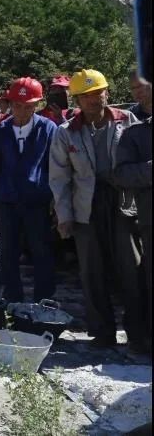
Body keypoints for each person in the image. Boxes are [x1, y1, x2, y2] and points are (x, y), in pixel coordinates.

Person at [49, 69, 145, 350]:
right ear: (77, 100)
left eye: (97, 93)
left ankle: (139, 333)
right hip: (85, 206)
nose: (93, 100)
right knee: (92, 272)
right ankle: (102, 332)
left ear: (107, 93)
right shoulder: (66, 132)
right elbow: (59, 178)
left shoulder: (127, 121)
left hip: (124, 202)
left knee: (132, 269)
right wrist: (64, 216)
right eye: (86, 96)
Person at [0, 77, 57, 303]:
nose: (22, 112)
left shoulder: (48, 129)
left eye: (28, 107)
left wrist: (56, 200)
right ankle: (11, 302)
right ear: (10, 104)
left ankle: (44, 302)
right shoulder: (0, 131)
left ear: (36, 105)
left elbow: (57, 166)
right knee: (7, 252)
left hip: (38, 201)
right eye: (18, 106)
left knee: (42, 252)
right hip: (7, 200)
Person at [114, 74, 152, 354]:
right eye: (134, 88)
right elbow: (122, 174)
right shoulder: (134, 133)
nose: (137, 92)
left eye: (142, 86)